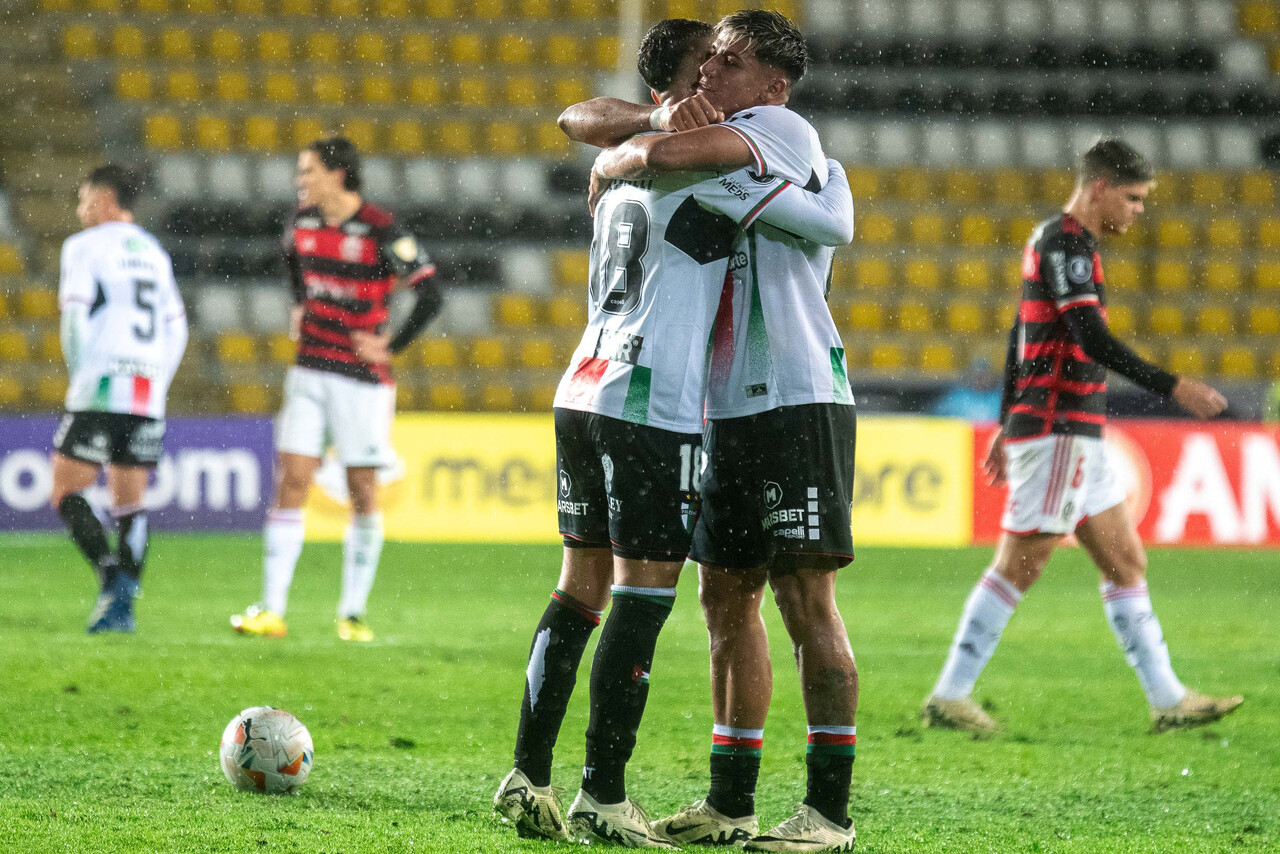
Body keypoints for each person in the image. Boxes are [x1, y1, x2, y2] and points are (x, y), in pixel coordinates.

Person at [492, 17, 854, 849]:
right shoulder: (691, 150)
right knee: (664, 597)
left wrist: (621, 152)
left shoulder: (769, 131)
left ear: (769, 85)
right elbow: (823, 215)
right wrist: (645, 137)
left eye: (732, 66)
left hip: (638, 386)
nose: (714, 81)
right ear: (679, 86)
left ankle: (536, 771)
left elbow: (828, 219)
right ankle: (607, 794)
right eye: (708, 67)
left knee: (608, 588)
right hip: (658, 398)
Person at [921, 138, 1242, 736]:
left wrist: (1002, 420)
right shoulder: (1066, 242)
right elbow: (1088, 336)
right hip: (1058, 427)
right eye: (1134, 197)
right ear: (1100, 188)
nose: (1140, 210)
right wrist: (1172, 385)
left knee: (1125, 562)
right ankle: (951, 693)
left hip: (1074, 430)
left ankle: (1168, 697)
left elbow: (1021, 335)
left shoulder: (1057, 241)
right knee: (1021, 562)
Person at [230, 136, 442, 643]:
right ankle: (271, 610)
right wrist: (299, 303)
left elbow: (431, 293)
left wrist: (391, 345)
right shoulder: (301, 223)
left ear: (337, 174)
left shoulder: (381, 229)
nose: (300, 181)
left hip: (361, 381)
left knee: (362, 490)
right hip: (308, 370)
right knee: (292, 482)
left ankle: (352, 613)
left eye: (307, 172)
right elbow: (292, 263)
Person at [49, 164, 188, 634]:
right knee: (130, 503)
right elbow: (177, 327)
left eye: (85, 199)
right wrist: (158, 380)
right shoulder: (154, 251)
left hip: (101, 381)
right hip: (148, 388)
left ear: (106, 200)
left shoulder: (84, 246)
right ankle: (124, 604)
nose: (79, 210)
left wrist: (80, 373)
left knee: (67, 491)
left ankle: (110, 576)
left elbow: (74, 316)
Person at [930, 357, 1002, 422]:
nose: (980, 379)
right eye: (977, 375)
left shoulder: (999, 399)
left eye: (985, 375)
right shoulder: (956, 399)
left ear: (992, 377)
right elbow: (935, 420)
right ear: (969, 376)